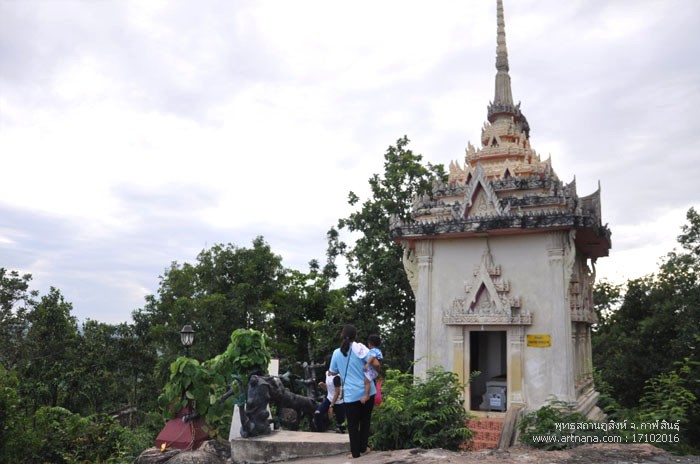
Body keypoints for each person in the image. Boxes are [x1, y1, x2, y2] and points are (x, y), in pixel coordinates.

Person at [329, 324, 379, 458]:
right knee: (365, 421)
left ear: (342, 336)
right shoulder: (361, 349)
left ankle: (355, 453)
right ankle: (363, 448)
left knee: (352, 424)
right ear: (355, 336)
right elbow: (375, 363)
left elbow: (333, 371)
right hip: (368, 392)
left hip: (351, 395)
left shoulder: (336, 353)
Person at [361, 334, 383, 404]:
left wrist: (367, 364)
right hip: (374, 370)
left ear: (369, 343)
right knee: (368, 381)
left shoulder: (374, 350)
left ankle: (367, 395)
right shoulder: (377, 350)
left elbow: (372, 357)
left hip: (373, 370)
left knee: (367, 381)